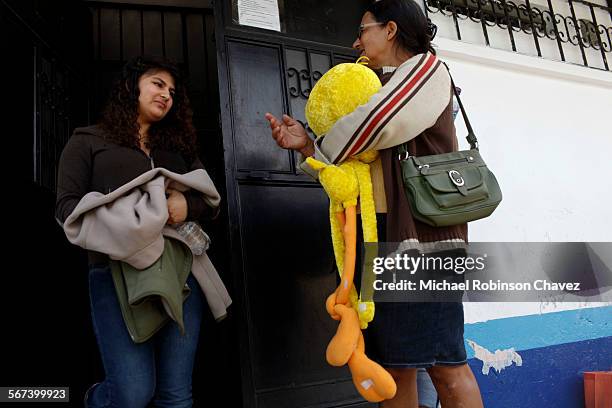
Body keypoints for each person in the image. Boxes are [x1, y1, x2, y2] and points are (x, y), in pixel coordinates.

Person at [264, 1, 484, 407]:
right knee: (392, 365)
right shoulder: (383, 83)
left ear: (390, 30)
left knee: (446, 367)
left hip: (422, 244)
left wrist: (324, 144)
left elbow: (374, 123)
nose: (355, 40)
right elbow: (355, 168)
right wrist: (308, 146)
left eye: (363, 29)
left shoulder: (426, 70)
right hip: (383, 240)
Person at [56, 55, 223, 407]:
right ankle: (94, 399)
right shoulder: (87, 141)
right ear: (133, 87)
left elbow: (212, 203)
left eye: (173, 92)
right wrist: (129, 217)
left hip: (181, 272)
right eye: (158, 84)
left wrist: (184, 207)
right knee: (132, 394)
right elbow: (67, 208)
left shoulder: (179, 148)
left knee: (176, 395)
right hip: (114, 272)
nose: (167, 95)